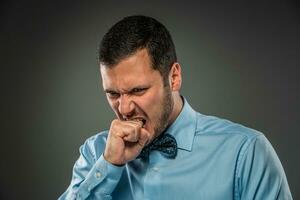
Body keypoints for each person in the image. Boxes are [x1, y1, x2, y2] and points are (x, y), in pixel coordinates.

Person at [59, 15, 292, 200]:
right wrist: (109, 166)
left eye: (138, 90)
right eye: (113, 94)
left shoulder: (245, 152)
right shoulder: (94, 153)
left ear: (174, 77)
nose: (125, 108)